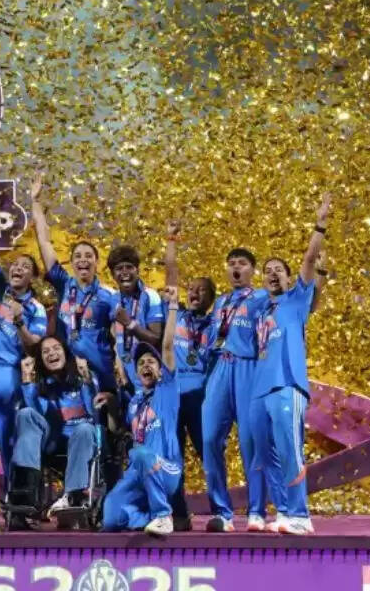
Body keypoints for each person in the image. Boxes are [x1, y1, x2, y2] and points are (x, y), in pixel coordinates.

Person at [249, 193, 330, 536]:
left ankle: (300, 515)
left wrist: (320, 225)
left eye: (278, 271)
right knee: (265, 454)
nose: (272, 274)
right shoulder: (260, 310)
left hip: (287, 385)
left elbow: (310, 258)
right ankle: (284, 511)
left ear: (288, 278)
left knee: (289, 449)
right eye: (267, 271)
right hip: (260, 390)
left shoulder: (297, 300)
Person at [0, 194, 47, 465]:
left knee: (7, 438)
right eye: (15, 264)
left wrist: (19, 322)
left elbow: (34, 346)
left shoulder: (36, 308)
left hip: (8, 373)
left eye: (25, 267)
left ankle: (12, 488)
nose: (18, 268)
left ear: (32, 277)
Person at [201, 245, 271, 533]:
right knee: (209, 439)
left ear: (252, 270)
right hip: (220, 367)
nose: (236, 268)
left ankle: (256, 511)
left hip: (249, 368)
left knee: (250, 442)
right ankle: (222, 512)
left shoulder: (262, 297)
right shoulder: (221, 302)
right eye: (231, 263)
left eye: (242, 263)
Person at [30, 175, 118, 392]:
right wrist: (35, 201)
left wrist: (120, 365)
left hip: (102, 370)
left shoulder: (108, 295)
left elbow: (118, 335)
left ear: (97, 262)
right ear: (71, 263)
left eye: (88, 256)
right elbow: (44, 241)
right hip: (68, 370)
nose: (83, 260)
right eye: (77, 256)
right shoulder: (64, 283)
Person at [5, 337, 101, 530]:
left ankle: (73, 496)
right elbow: (36, 419)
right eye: (46, 351)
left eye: (56, 348)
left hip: (81, 441)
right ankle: (24, 496)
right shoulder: (41, 386)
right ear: (40, 359)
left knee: (84, 428)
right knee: (25, 414)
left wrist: (87, 382)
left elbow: (95, 413)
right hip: (52, 443)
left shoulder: (84, 379)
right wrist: (27, 381)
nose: (52, 353)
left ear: (66, 353)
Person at [161, 220, 215, 532]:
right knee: (173, 456)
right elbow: (171, 275)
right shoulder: (176, 314)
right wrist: (171, 239)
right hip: (172, 396)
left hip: (200, 399)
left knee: (209, 453)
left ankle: (221, 510)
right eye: (191, 288)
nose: (194, 293)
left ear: (210, 298)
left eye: (201, 290)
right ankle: (179, 514)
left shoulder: (215, 324)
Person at [101, 332, 182, 537]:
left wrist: (173, 312)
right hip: (138, 472)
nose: (146, 365)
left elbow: (167, 346)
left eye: (151, 362)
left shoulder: (167, 389)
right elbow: (117, 430)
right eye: (141, 364)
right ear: (136, 373)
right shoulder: (134, 404)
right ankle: (148, 518)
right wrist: (111, 405)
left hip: (166, 468)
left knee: (141, 453)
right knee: (110, 517)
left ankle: (163, 515)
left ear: (161, 370)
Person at [109, 245, 165, 386]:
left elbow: (155, 339)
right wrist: (120, 369)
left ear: (138, 271)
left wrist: (130, 324)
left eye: (129, 267)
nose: (125, 272)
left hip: (148, 376)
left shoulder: (150, 296)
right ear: (112, 275)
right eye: (119, 268)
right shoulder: (113, 299)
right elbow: (116, 337)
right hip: (126, 377)